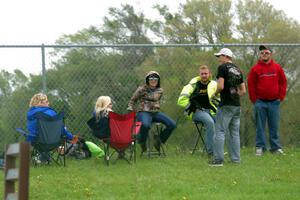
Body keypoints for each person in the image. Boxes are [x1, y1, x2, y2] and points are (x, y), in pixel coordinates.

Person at [248, 45, 287, 156]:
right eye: (262, 53)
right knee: (260, 126)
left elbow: (283, 82)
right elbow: (251, 85)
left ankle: (275, 148)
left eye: (266, 53)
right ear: (260, 55)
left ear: (270, 54)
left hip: (274, 102)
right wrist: (255, 100)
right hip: (260, 102)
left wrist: (281, 97)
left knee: (274, 125)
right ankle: (260, 147)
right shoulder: (255, 69)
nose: (264, 55)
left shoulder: (277, 68)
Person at [209, 48, 246, 166]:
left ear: (225, 56)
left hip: (225, 104)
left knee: (220, 131)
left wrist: (213, 95)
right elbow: (243, 90)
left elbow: (220, 86)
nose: (219, 59)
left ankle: (218, 160)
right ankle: (236, 160)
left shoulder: (222, 68)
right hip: (236, 105)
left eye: (220, 56)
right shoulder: (238, 70)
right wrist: (234, 95)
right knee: (234, 132)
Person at [127, 71, 176, 152]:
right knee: (145, 125)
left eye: (156, 79)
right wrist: (130, 108)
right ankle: (142, 142)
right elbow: (132, 101)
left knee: (172, 124)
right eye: (151, 78)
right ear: (147, 80)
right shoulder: (141, 89)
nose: (153, 80)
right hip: (143, 112)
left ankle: (159, 141)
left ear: (158, 80)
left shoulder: (160, 90)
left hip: (155, 113)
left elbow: (157, 101)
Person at [177, 65, 219, 157]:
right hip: (196, 112)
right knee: (210, 122)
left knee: (221, 122)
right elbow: (181, 100)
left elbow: (218, 98)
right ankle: (211, 153)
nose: (204, 75)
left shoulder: (214, 84)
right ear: (199, 74)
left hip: (211, 110)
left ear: (209, 74)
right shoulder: (193, 84)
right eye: (202, 74)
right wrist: (192, 106)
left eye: (206, 73)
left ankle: (218, 150)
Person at [27, 93, 74, 162]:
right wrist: (70, 136)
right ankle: (43, 157)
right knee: (61, 129)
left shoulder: (30, 113)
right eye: (46, 101)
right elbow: (61, 130)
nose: (49, 103)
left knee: (32, 134)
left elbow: (32, 130)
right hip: (54, 141)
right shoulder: (51, 112)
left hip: (37, 142)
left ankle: (41, 157)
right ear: (40, 102)